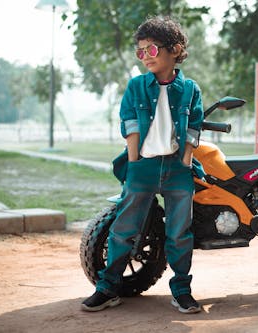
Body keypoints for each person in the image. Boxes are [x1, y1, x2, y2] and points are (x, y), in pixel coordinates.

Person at [81, 16, 204, 314]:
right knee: (124, 228)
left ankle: (182, 291)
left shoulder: (189, 89)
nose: (145, 57)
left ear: (174, 50)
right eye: (140, 51)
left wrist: (187, 161)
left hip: (177, 169)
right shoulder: (136, 86)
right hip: (143, 167)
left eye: (151, 50)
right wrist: (134, 161)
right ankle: (108, 287)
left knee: (179, 233)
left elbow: (193, 128)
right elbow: (130, 124)